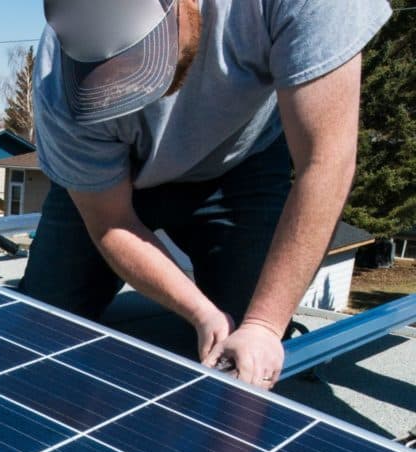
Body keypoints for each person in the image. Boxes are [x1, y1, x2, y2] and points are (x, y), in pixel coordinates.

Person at [21, 0, 391, 388]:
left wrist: (264, 324)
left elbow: (326, 161)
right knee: (42, 324)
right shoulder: (59, 83)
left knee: (248, 349)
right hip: (116, 178)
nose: (132, 88)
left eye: (141, 58)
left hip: (240, 166)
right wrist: (200, 312)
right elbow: (111, 222)